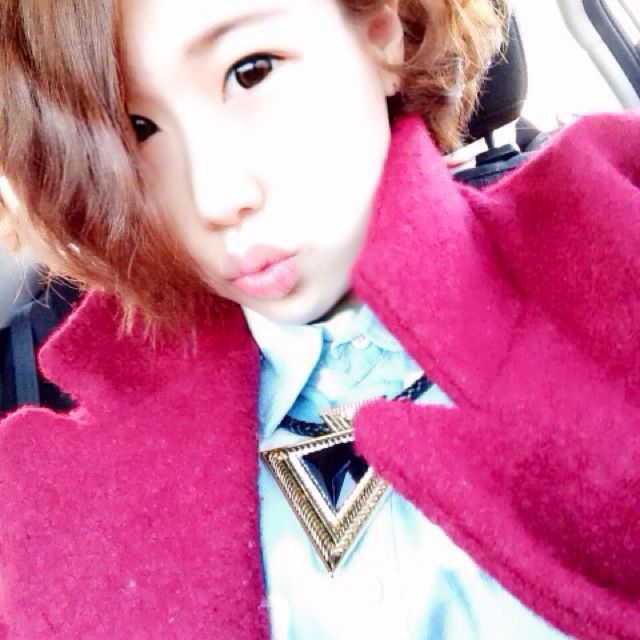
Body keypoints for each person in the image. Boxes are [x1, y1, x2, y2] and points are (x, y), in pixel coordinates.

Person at [0, 1, 638, 639]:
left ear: (381, 32)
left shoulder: (612, 246)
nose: (215, 198)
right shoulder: (58, 504)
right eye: (137, 129)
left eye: (250, 71)